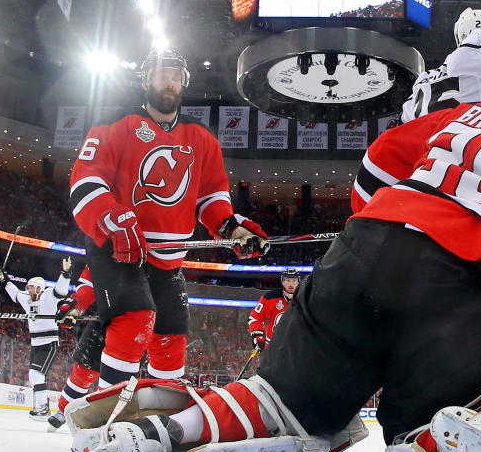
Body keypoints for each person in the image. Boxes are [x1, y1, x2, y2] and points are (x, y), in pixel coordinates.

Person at [62, 41, 481, 452]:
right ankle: (444, 432)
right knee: (439, 416)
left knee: (283, 400)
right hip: (467, 300)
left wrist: (386, 232)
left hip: (357, 259)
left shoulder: (468, 115)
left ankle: (182, 423)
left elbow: (378, 162)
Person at [68, 48, 270, 392]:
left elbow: (212, 198)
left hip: (167, 257)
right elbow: (85, 181)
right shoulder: (113, 125)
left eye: (176, 76)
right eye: (162, 74)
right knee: (135, 320)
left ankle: (161, 415)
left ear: (184, 83)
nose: (169, 82)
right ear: (146, 79)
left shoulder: (202, 138)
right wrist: (112, 218)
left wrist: (232, 228)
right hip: (118, 246)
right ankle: (102, 417)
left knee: (171, 338)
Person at [0, 257, 72, 419]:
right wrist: (5, 280)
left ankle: (43, 408)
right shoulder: (26, 297)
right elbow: (16, 293)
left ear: (39, 288)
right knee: (34, 376)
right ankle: (42, 407)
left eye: (31, 288)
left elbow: (61, 290)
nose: (29, 290)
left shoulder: (49, 296)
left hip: (49, 343)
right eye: (28, 287)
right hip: (36, 343)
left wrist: (65, 274)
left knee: (36, 375)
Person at [47, 266, 102, 430]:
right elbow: (87, 286)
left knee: (121, 378)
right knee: (84, 369)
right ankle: (64, 410)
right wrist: (75, 307)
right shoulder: (101, 248)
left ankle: (110, 419)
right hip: (106, 317)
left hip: (142, 320)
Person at [248, 269, 300, 353]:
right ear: (282, 282)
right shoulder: (270, 298)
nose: (291, 284)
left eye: (294, 281)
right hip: (272, 347)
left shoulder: (305, 299)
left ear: (298, 282)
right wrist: (258, 335)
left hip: (298, 348)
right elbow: (255, 317)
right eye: (287, 280)